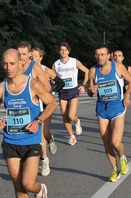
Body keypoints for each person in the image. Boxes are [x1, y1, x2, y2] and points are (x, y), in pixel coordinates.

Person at [0, 48, 58, 198]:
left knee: (28, 183)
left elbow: (52, 103)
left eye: (12, 63)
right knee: (17, 182)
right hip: (10, 140)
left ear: (20, 63)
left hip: (31, 140)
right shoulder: (0, 88)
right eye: (5, 64)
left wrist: (39, 121)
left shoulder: (33, 84)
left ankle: (40, 190)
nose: (8, 67)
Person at [88, 45, 131, 182]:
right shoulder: (93, 71)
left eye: (102, 54)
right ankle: (115, 170)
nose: (99, 57)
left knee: (115, 142)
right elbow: (90, 92)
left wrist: (127, 95)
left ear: (108, 55)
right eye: (97, 55)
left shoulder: (118, 67)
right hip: (102, 109)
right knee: (107, 142)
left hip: (117, 108)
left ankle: (122, 157)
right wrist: (92, 90)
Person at [16, 42, 54, 177]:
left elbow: (47, 87)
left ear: (30, 54)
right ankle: (27, 161)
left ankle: (44, 160)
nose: (21, 57)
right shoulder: (14, 67)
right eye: (19, 53)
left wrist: (35, 91)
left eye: (24, 54)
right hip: (19, 109)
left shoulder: (35, 67)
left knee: (40, 135)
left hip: (35, 107)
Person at [31, 47, 64, 176]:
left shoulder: (46, 70)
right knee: (37, 134)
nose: (33, 57)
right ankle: (43, 159)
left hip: (45, 103)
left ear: (40, 57)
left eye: (35, 55)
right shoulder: (26, 70)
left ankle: (50, 140)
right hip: (33, 104)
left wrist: (53, 93)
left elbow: (60, 83)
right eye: (31, 55)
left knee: (44, 133)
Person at [53, 42, 89, 145]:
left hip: (73, 90)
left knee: (71, 115)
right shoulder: (56, 64)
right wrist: (53, 81)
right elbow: (53, 77)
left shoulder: (74, 62)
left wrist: (83, 85)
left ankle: (77, 122)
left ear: (69, 51)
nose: (63, 52)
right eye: (61, 50)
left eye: (65, 50)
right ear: (59, 51)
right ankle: (71, 136)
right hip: (62, 91)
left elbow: (87, 71)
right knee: (64, 116)